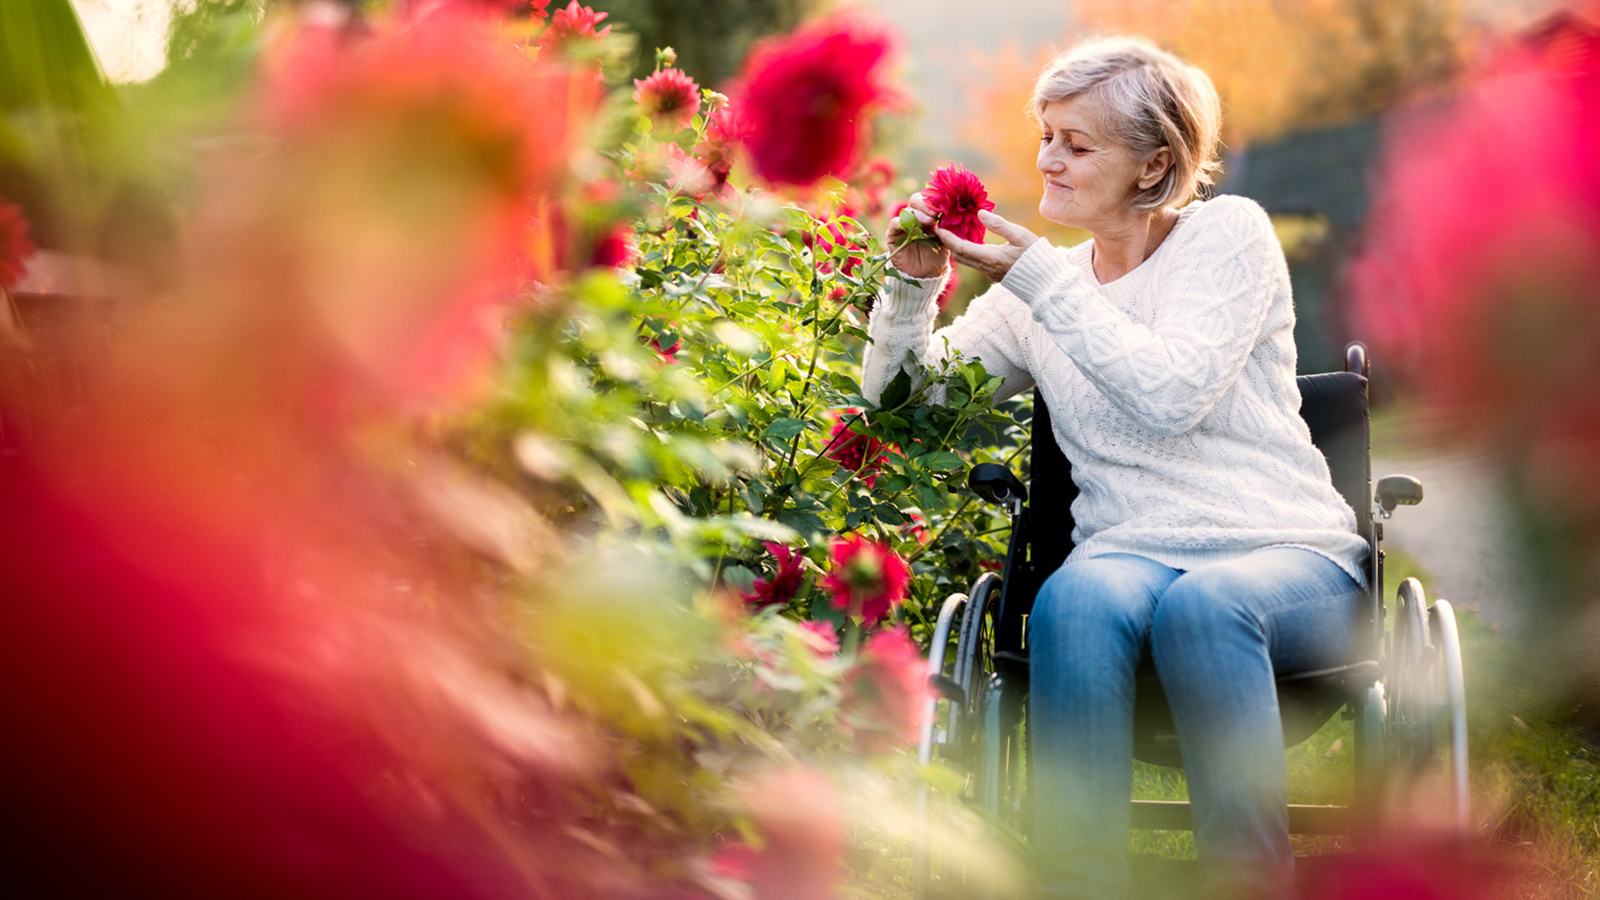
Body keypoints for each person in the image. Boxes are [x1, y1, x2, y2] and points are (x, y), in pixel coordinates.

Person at [861, 36, 1368, 900]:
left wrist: (1039, 287)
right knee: (1075, 597)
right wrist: (913, 289)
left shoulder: (1227, 238)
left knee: (1206, 604)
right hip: (1127, 557)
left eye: (1076, 142)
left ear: (1152, 165)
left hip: (1286, 555)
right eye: (1046, 134)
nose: (1046, 160)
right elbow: (912, 405)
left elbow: (1170, 395)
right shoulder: (1043, 290)